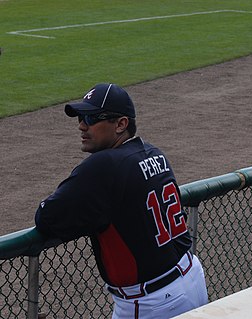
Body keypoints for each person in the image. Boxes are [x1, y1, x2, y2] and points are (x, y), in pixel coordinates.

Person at [35, 83, 208, 318]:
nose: (82, 125)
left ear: (121, 124)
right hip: (191, 278)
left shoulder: (103, 166)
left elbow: (47, 218)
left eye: (91, 117)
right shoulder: (154, 153)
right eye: (80, 118)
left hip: (152, 303)